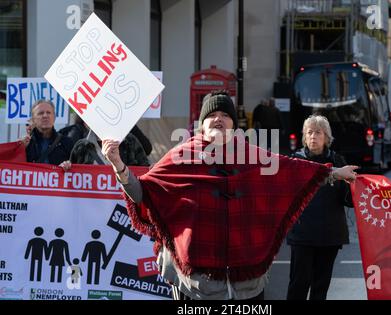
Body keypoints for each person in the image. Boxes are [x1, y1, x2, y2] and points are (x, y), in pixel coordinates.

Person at [101, 90, 358, 300]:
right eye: (212, 114)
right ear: (202, 124)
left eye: (225, 114)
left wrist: (335, 172)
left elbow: (294, 170)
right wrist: (118, 165)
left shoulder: (251, 155)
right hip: (197, 286)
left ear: (234, 124)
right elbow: (141, 192)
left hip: (247, 285)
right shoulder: (181, 156)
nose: (219, 119)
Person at [286, 115, 354, 300]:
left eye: (318, 132)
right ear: (304, 137)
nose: (313, 136)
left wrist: (358, 188)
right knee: (298, 286)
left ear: (327, 137)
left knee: (320, 289)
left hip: (330, 235)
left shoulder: (338, 160)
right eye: (309, 132)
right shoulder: (295, 160)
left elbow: (348, 199)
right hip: (302, 234)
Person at [23, 100, 74, 165]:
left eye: (49, 113)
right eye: (40, 113)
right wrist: (21, 149)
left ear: (54, 118)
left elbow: (77, 169)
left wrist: (68, 166)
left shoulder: (67, 143)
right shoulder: (25, 144)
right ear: (33, 119)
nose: (45, 116)